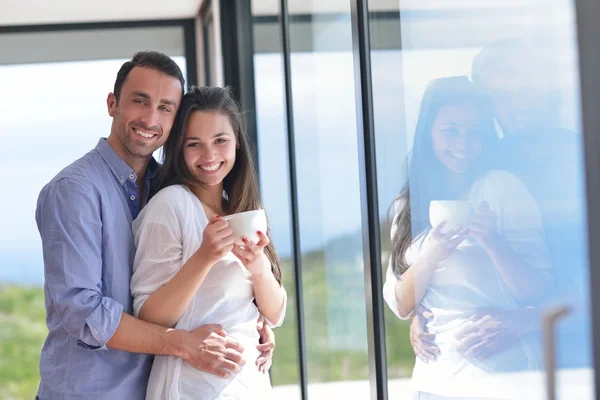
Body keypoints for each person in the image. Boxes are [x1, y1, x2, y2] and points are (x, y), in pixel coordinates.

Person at [34, 51, 275, 400]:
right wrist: (181, 344)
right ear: (112, 103)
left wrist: (252, 322)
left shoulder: (168, 186)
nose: (150, 118)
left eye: (165, 107)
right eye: (139, 101)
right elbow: (82, 312)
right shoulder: (74, 191)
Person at [410, 40, 590, 371]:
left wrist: (530, 318)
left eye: (528, 90)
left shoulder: (584, 158)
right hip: (510, 366)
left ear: (551, 90)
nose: (518, 104)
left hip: (583, 355)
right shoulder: (480, 166)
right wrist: (427, 309)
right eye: (502, 96)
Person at [383, 76, 551, 399]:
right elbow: (403, 303)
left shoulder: (503, 188)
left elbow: (537, 288)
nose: (463, 144)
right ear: (428, 133)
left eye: (474, 133)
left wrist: (494, 243)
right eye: (451, 131)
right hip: (435, 382)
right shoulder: (408, 206)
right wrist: (432, 255)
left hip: (502, 380)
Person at [130, 85, 287, 399]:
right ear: (179, 149)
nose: (210, 156)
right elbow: (149, 316)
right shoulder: (171, 205)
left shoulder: (240, 209)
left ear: (237, 144)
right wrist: (204, 256)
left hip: (249, 385)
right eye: (194, 144)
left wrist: (259, 268)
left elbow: (276, 314)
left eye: (220, 141)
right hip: (192, 387)